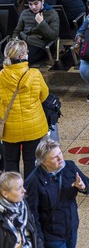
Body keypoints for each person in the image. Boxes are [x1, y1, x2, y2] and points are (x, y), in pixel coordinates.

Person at [25, 139, 89, 248]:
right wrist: (39, 240)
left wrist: (83, 186)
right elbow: (32, 214)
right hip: (52, 236)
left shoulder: (69, 167)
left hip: (71, 229)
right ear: (43, 161)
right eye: (54, 157)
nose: (60, 158)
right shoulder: (33, 182)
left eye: (60, 153)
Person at [0, 41, 49, 179]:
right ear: (21, 56)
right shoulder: (35, 74)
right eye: (26, 52)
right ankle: (30, 194)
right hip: (33, 127)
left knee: (10, 161)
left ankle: (12, 193)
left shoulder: (1, 76)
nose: (28, 53)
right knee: (31, 162)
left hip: (9, 128)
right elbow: (44, 96)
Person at [13, 0, 59, 66]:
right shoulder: (25, 13)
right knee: (9, 56)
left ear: (42, 1)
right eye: (30, 4)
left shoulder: (52, 14)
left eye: (36, 4)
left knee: (20, 61)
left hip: (39, 45)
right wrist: (14, 42)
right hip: (23, 43)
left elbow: (54, 36)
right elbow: (17, 31)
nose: (33, 7)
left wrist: (42, 23)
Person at [0, 172, 41, 248]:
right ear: (5, 194)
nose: (24, 190)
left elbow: (34, 232)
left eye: (23, 186)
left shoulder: (23, 204)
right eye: (19, 188)